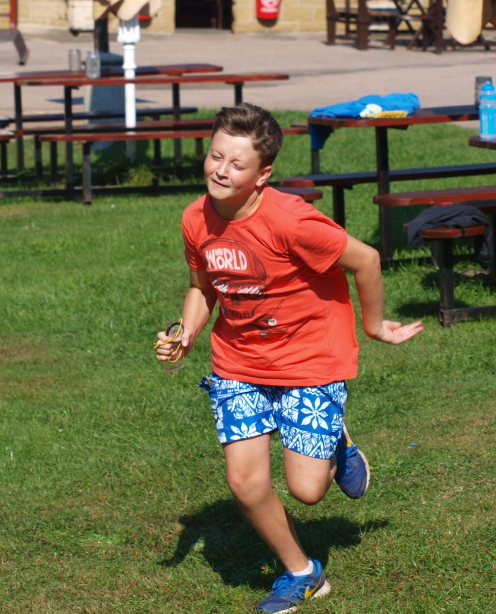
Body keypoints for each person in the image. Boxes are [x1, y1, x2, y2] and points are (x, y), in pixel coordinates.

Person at [155, 103, 424, 614]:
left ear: (263, 175)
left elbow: (365, 259)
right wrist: (186, 332)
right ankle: (303, 573)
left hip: (310, 359)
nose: (221, 170)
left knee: (307, 491)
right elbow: (203, 286)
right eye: (215, 156)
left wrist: (373, 326)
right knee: (245, 481)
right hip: (237, 362)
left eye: (237, 164)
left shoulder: (291, 220)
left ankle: (337, 443)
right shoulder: (195, 218)